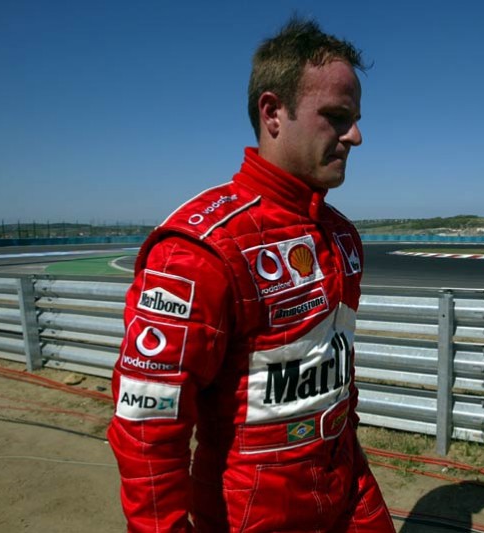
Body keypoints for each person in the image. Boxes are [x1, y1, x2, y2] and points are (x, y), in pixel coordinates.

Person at [107, 17, 395, 533]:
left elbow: (337, 384)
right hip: (250, 513)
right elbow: (148, 425)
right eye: (336, 117)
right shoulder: (199, 250)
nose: (356, 135)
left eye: (355, 117)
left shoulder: (343, 236)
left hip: (347, 487)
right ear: (273, 113)